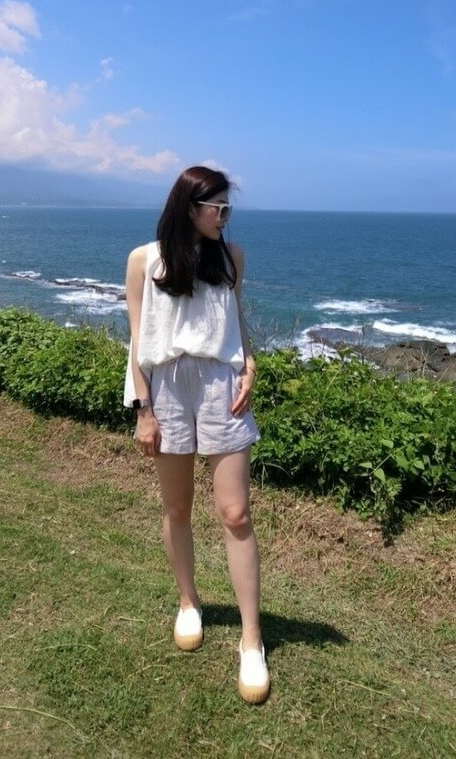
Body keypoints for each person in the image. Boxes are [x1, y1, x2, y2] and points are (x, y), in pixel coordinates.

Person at [124, 165, 269, 704]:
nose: (225, 217)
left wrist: (249, 362)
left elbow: (235, 319)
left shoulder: (232, 258)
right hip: (166, 387)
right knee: (177, 507)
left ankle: (251, 639)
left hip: (220, 385)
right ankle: (189, 601)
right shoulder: (145, 260)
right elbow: (137, 338)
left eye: (229, 208)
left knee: (236, 512)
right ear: (189, 207)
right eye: (217, 208)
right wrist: (143, 409)